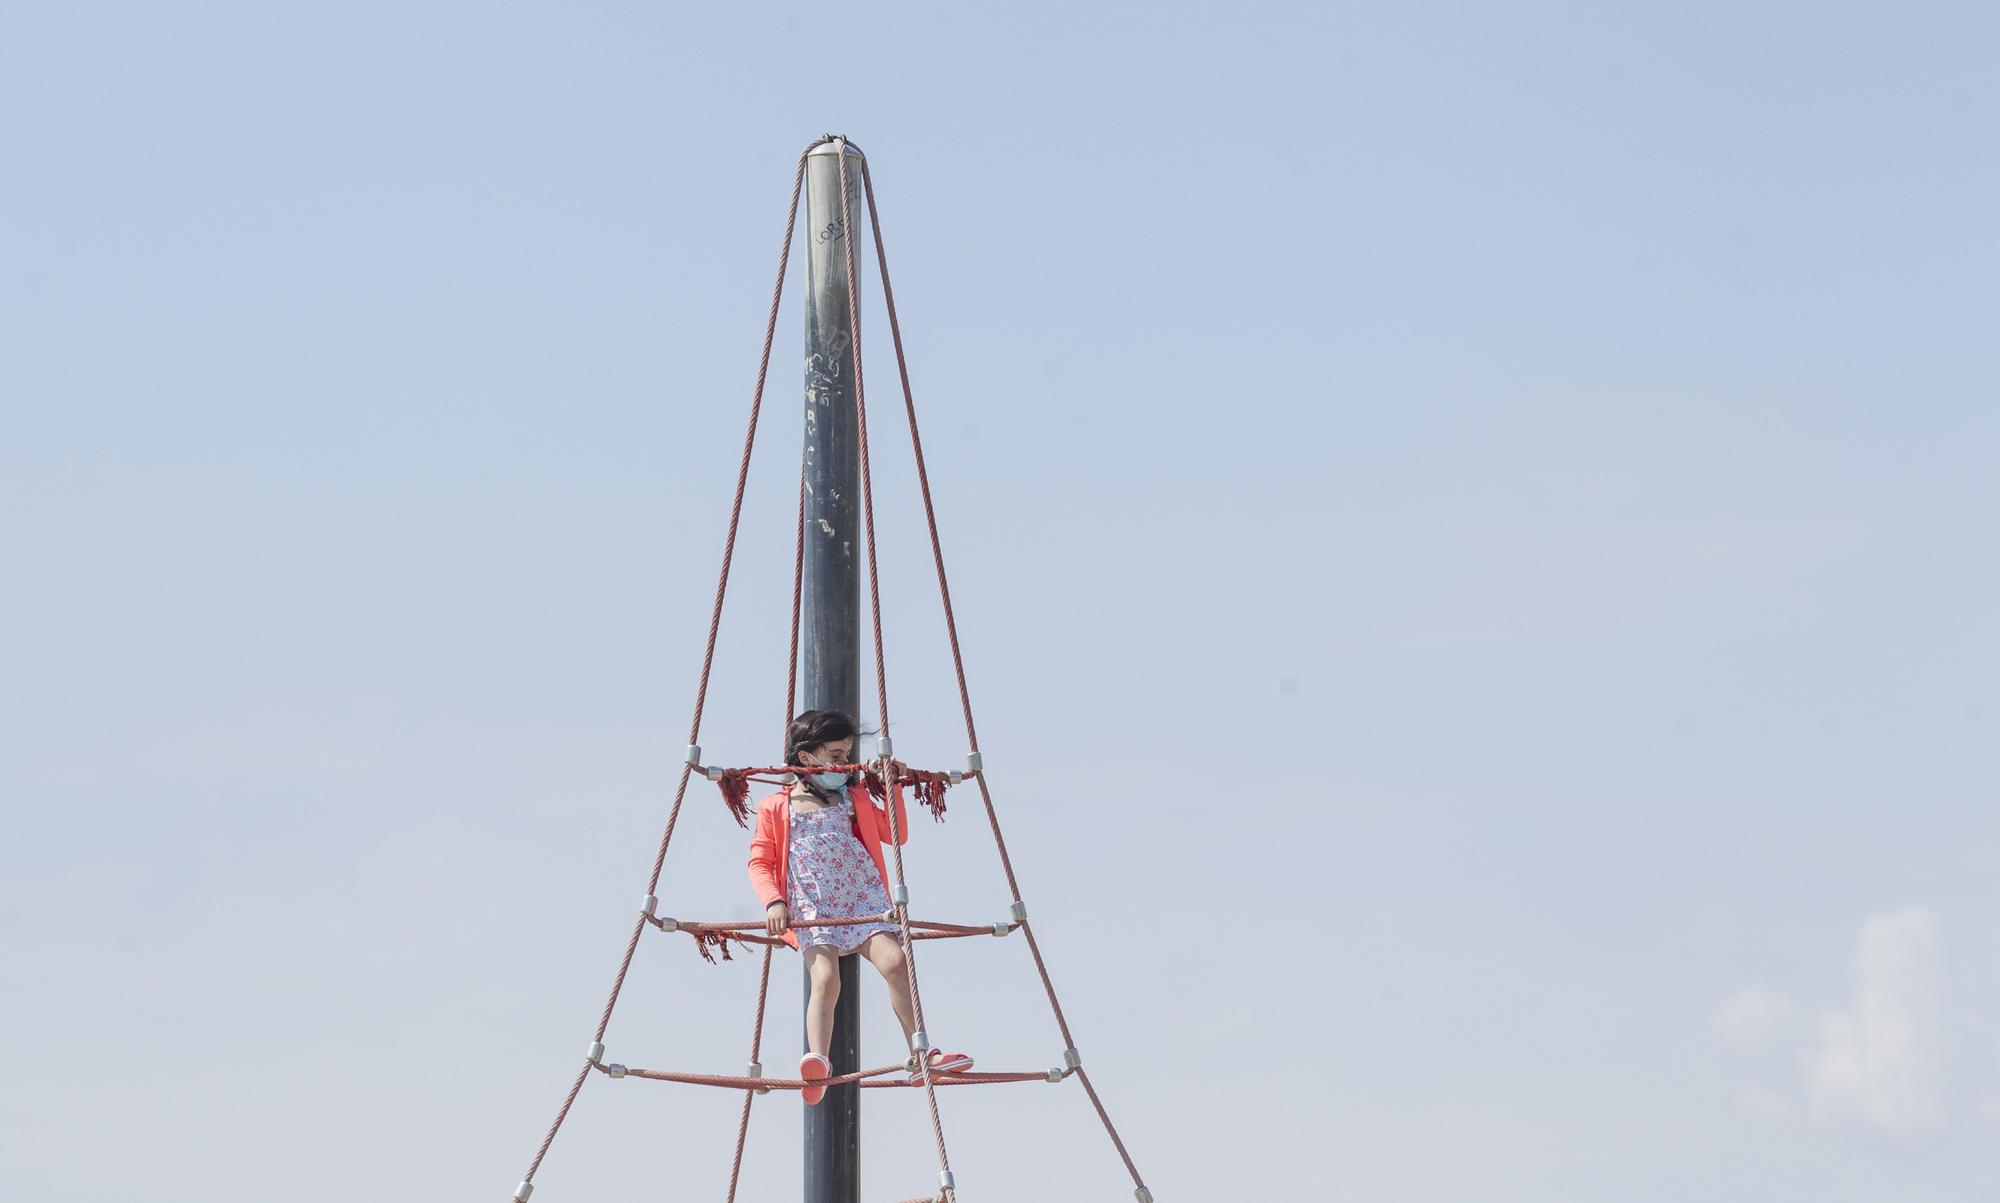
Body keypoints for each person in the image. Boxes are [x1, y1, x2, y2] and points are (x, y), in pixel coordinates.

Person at [746, 708, 973, 1103]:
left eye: (847, 754)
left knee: (896, 961)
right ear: (806, 758)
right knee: (825, 978)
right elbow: (760, 861)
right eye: (835, 756)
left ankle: (921, 1054)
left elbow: (895, 834)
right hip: (812, 905)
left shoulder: (853, 797)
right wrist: (774, 901)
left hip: (861, 896)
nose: (843, 764)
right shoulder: (776, 808)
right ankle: (816, 1060)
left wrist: (892, 785)